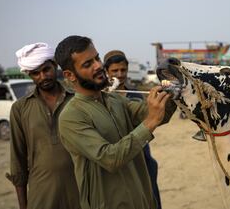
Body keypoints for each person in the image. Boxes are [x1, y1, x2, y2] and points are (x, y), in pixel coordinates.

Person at [54, 35, 176, 209]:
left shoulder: (115, 100)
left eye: (96, 58)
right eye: (88, 64)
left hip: (142, 200)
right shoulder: (71, 116)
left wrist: (173, 93)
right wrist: (150, 122)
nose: (98, 66)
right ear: (69, 75)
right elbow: (109, 158)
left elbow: (156, 114)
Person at [6, 42, 81, 209]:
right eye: (35, 73)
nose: (43, 76)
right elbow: (17, 161)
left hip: (80, 190)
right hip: (42, 195)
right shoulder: (20, 109)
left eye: (46, 69)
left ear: (54, 66)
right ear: (29, 75)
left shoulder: (78, 100)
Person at [103, 50, 162, 209]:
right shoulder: (101, 97)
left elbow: (149, 120)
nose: (120, 74)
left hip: (142, 154)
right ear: (106, 72)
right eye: (115, 70)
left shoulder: (136, 95)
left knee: (150, 197)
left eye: (123, 70)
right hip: (116, 156)